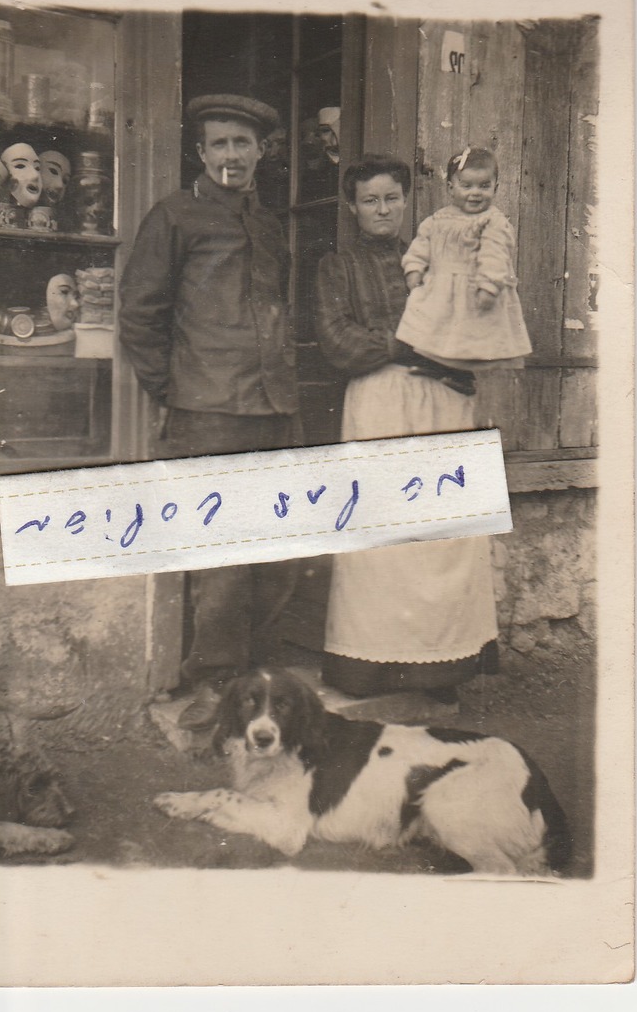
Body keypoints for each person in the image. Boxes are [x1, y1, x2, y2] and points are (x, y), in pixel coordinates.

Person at [119, 93, 301, 729]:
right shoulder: (174, 216)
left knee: (282, 546)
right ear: (201, 153)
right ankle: (217, 687)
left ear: (260, 152)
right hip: (209, 409)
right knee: (221, 556)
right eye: (219, 144)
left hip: (275, 406)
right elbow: (140, 314)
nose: (231, 155)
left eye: (242, 144)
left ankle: (260, 680)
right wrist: (173, 390)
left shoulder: (269, 225)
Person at [316, 154, 499, 701]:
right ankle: (370, 669)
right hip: (380, 401)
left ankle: (440, 668)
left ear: (405, 202)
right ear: (352, 207)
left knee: (440, 535)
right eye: (369, 200)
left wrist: (455, 357)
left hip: (442, 402)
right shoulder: (337, 266)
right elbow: (336, 340)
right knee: (385, 535)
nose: (382, 209)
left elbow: (469, 327)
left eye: (391, 198)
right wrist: (403, 342)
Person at [396, 146, 532, 369]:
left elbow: (495, 254)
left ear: (495, 188)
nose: (475, 192)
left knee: (474, 339)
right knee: (438, 337)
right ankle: (440, 366)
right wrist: (414, 268)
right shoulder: (437, 220)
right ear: (451, 187)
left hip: (475, 290)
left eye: (484, 186)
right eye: (466, 186)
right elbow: (421, 245)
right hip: (441, 291)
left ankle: (467, 371)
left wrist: (488, 285)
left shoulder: (493, 222)